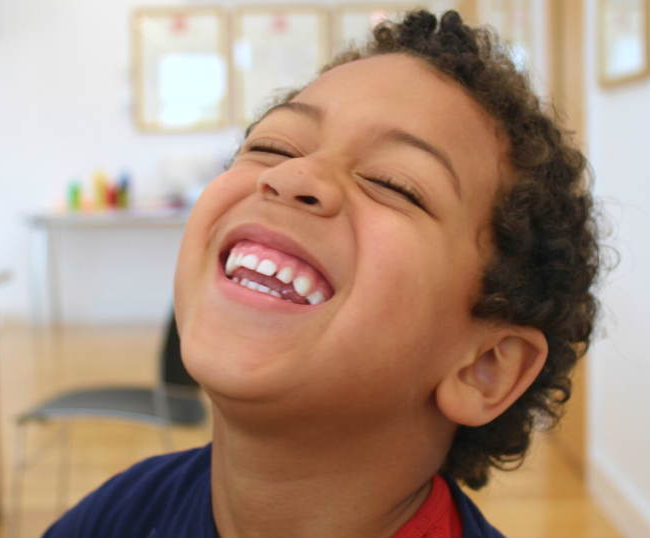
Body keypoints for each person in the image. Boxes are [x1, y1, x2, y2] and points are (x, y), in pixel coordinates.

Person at [45, 9, 601, 538]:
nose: (294, 175)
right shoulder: (120, 515)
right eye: (272, 146)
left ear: (484, 368)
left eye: (394, 183)